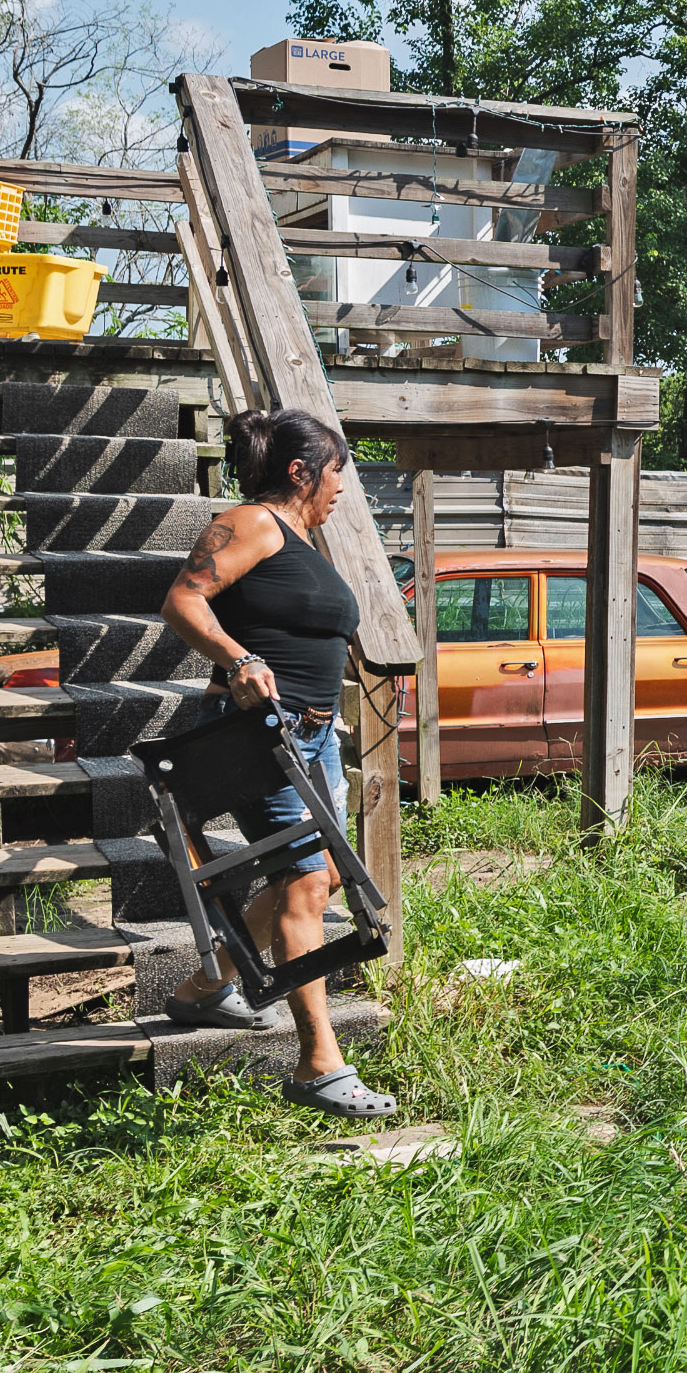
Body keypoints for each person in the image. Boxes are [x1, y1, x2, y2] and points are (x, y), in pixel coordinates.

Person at [157, 406, 396, 1120]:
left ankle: (205, 988)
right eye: (336, 474)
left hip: (312, 736)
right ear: (301, 471)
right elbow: (181, 599)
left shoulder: (301, 540)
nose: (342, 490)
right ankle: (318, 1061)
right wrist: (238, 658)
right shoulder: (254, 523)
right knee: (302, 881)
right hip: (260, 731)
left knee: (315, 876)